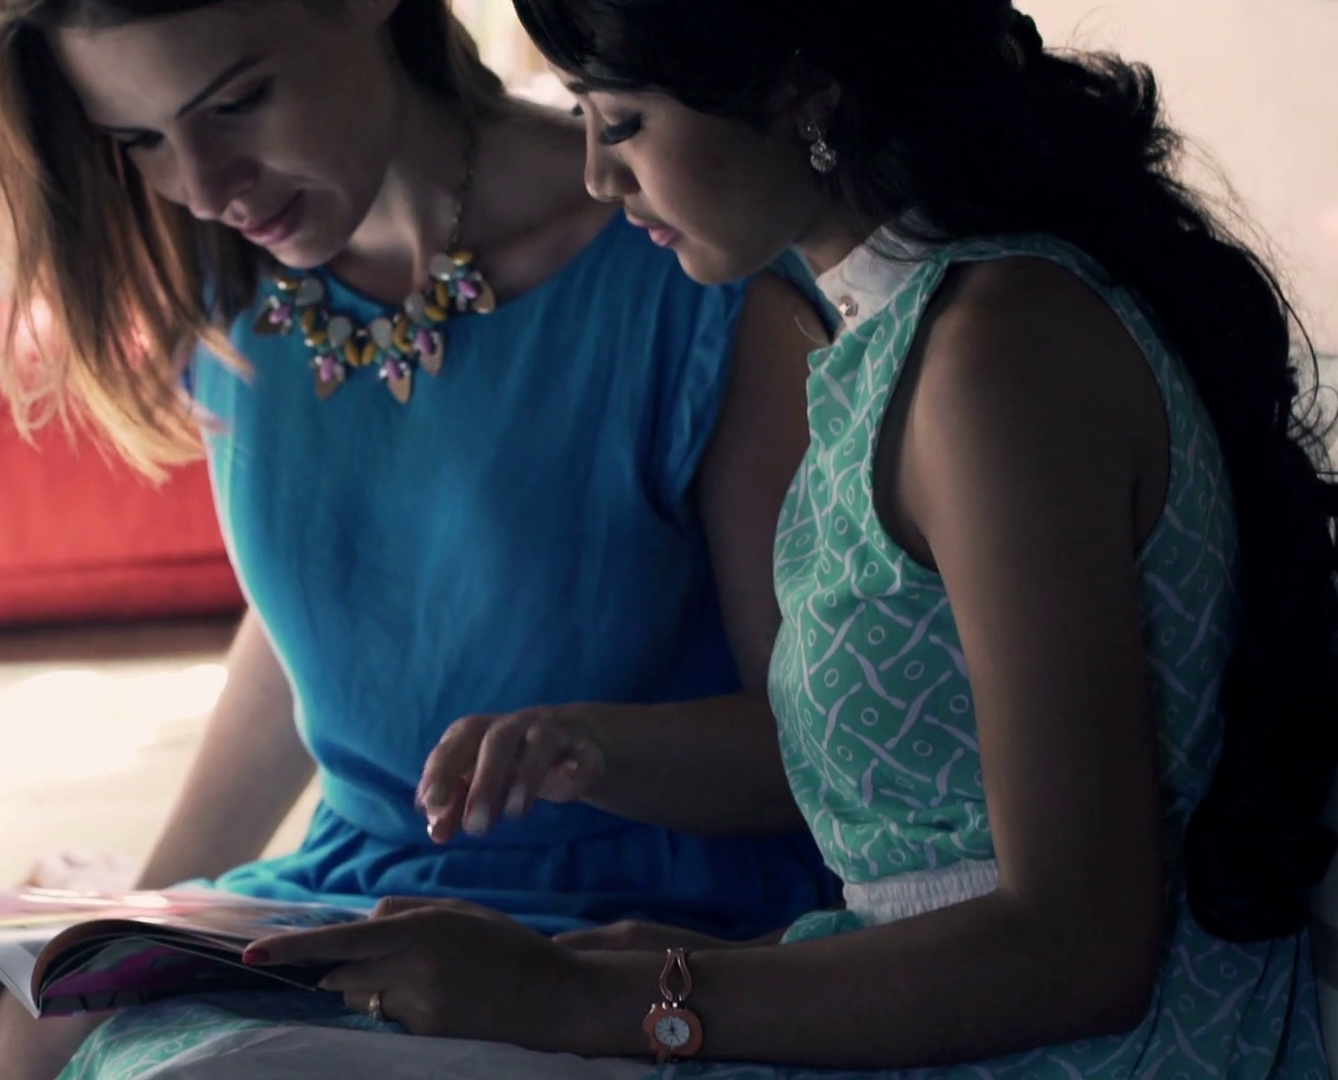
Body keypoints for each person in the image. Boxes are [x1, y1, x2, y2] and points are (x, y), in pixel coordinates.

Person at [225, 0, 1338, 1077]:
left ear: (804, 92)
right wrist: (615, 824)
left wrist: (591, 999)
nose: (599, 176)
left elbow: (1079, 953)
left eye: (623, 123)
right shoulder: (896, 332)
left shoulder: (998, 356)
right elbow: (937, 858)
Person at [0, 2, 841, 1078]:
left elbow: (818, 755)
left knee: (73, 1042)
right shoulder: (241, 277)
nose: (204, 185)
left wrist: (589, 749)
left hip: (623, 913)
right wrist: (144, 904)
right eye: (141, 139)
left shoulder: (686, 252)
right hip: (346, 888)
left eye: (238, 103)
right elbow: (318, 636)